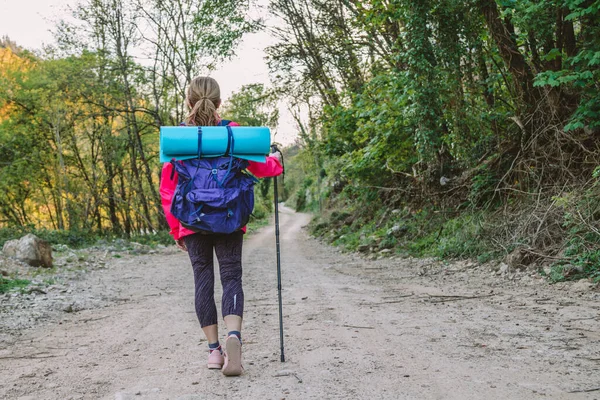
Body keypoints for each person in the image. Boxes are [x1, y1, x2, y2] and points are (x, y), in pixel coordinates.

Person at [159, 76, 283, 376]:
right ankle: (234, 337)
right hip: (229, 218)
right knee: (231, 277)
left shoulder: (179, 138)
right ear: (219, 103)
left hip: (193, 219)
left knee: (202, 281)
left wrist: (177, 229)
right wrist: (277, 160)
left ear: (189, 102)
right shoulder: (233, 134)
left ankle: (214, 352)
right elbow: (262, 167)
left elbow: (168, 189)